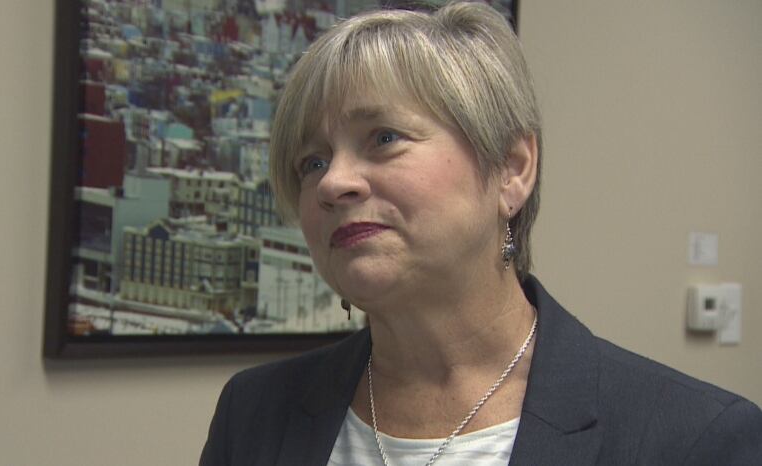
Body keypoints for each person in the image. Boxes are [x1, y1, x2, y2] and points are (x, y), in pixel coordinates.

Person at [200, 3, 762, 465]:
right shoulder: (254, 413)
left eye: (384, 138)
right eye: (311, 163)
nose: (334, 183)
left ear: (512, 169)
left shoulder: (695, 439)